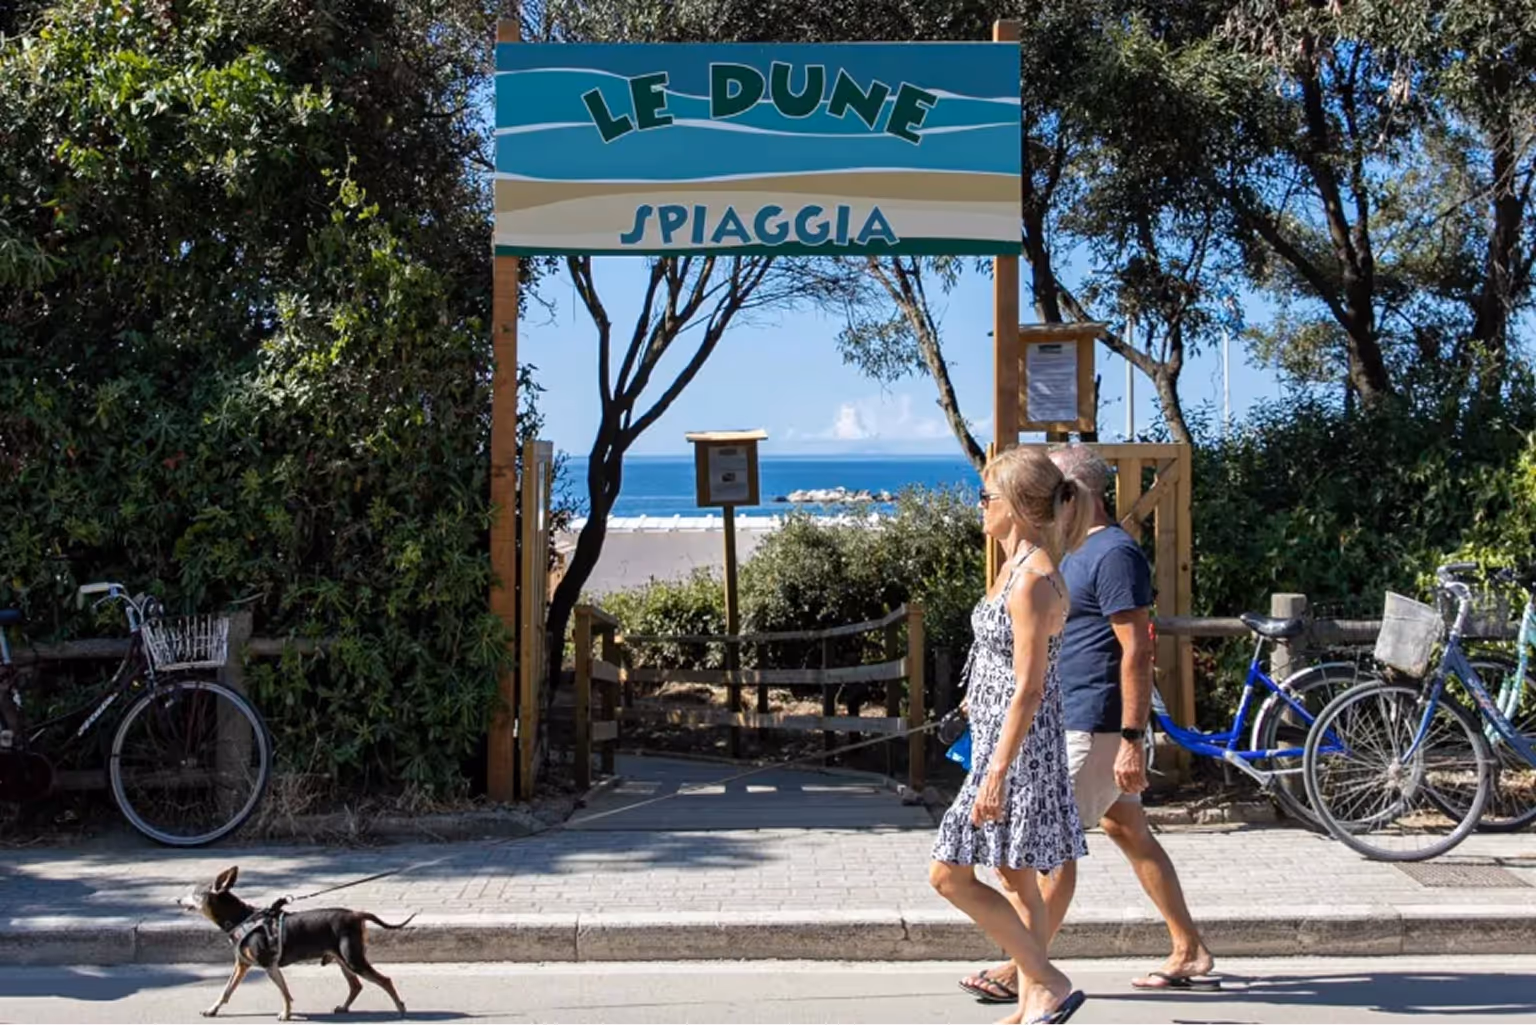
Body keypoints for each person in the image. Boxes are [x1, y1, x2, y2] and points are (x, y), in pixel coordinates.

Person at [958, 444, 1217, 1004]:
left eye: (1053, 487)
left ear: (1077, 493)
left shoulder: (1115, 553)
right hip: (1070, 719)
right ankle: (1188, 947)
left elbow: (1137, 650)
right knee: (1127, 829)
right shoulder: (1066, 553)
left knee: (1046, 848)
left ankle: (1025, 970)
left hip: (1094, 721)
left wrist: (1131, 738)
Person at [929, 446, 1093, 1025]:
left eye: (987, 496)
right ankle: (1032, 1003)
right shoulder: (1014, 569)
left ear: (1019, 505)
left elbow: (1030, 687)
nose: (980, 506)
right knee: (1017, 879)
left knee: (948, 874)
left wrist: (996, 771)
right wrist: (972, 701)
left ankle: (1046, 980)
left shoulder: (1033, 581)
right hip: (999, 739)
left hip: (1017, 752)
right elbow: (1002, 664)